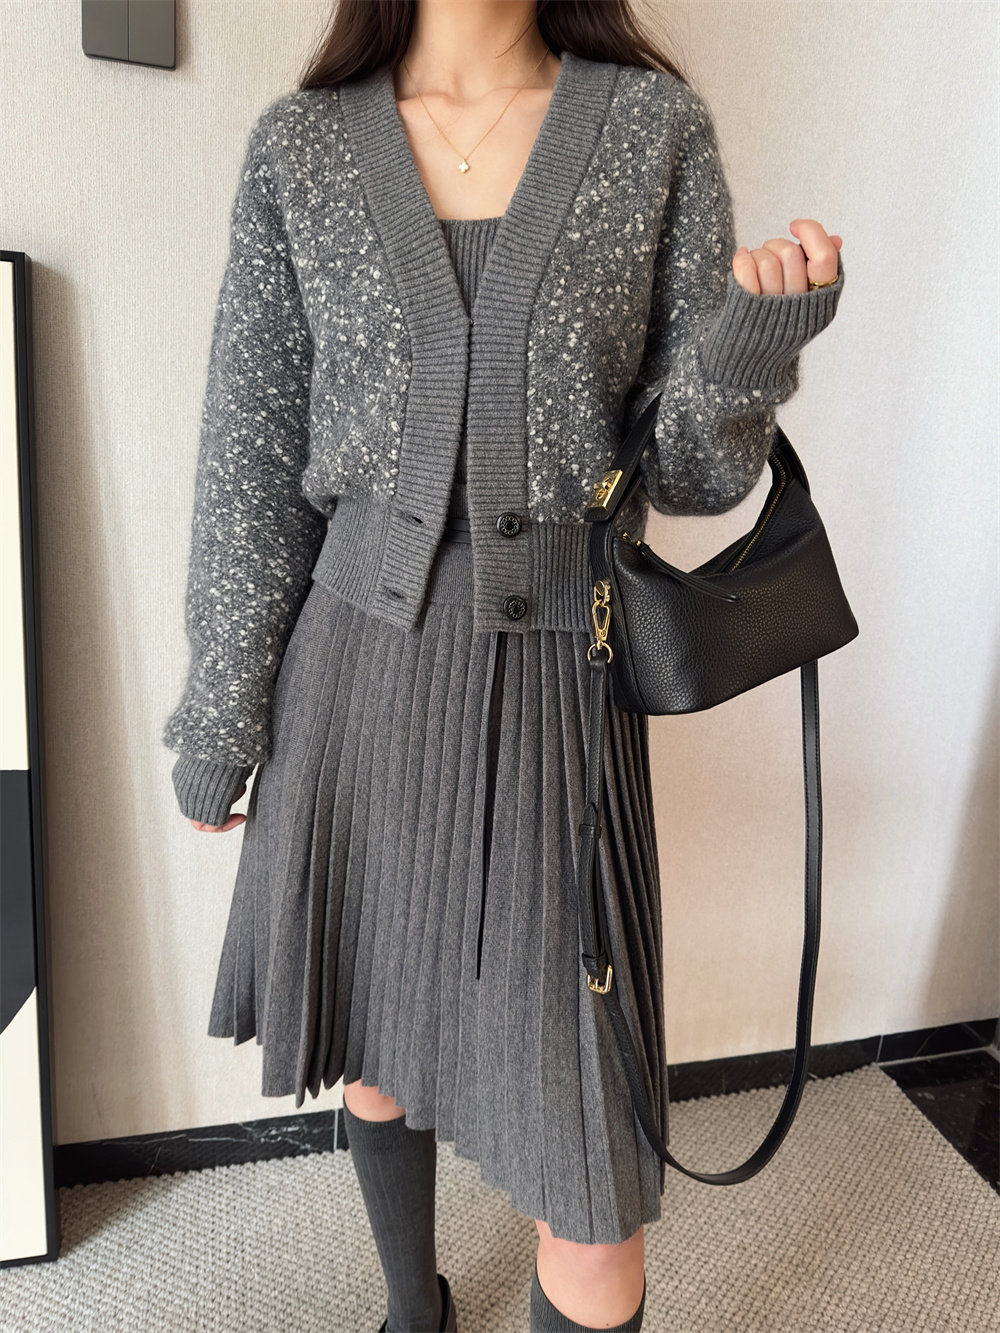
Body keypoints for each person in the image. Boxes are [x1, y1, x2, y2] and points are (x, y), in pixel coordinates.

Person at [161, 2, 845, 1329]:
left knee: (591, 1201)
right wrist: (224, 710)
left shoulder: (651, 130)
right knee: (374, 1039)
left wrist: (752, 349)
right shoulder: (302, 149)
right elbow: (248, 459)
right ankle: (410, 1312)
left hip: (555, 694)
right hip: (354, 680)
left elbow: (687, 474)